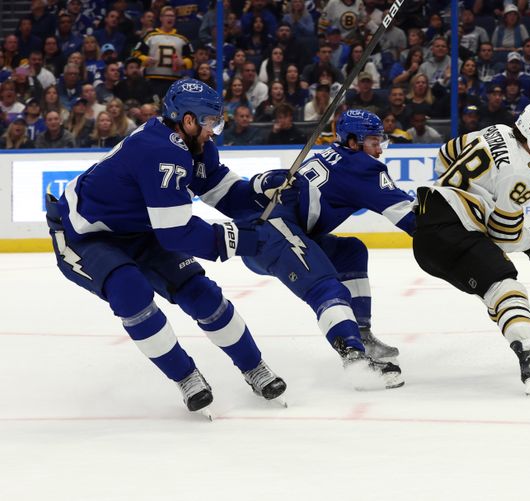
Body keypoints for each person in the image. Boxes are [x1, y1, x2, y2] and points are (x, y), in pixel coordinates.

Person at [44, 79, 287, 414]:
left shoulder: (194, 145)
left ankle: (253, 367)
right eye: (210, 122)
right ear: (188, 120)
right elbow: (176, 233)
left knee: (201, 293)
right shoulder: (162, 151)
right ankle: (185, 376)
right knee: (129, 290)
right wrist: (243, 241)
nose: (214, 130)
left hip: (141, 230)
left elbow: (225, 193)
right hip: (84, 235)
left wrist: (261, 190)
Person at [412, 102, 530, 396]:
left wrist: (454, 193)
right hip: (454, 231)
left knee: (494, 289)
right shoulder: (523, 174)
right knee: (504, 285)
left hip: (426, 235)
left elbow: (445, 154)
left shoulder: (496, 130)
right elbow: (504, 235)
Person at [241, 109, 413, 390]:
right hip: (274, 236)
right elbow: (411, 219)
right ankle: (357, 361)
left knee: (350, 252)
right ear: (354, 142)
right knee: (327, 288)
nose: (379, 150)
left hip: (264, 235)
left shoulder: (329, 154)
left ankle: (361, 335)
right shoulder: (362, 167)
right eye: (373, 141)